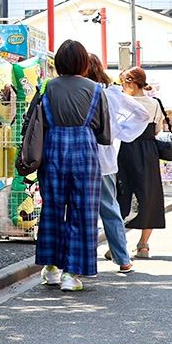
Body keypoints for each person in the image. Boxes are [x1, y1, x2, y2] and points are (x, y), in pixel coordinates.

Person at [31, 41, 111, 292]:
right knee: (82, 212)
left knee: (52, 209)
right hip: (84, 151)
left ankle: (51, 268)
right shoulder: (96, 90)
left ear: (58, 63)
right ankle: (72, 274)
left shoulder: (47, 87)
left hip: (52, 148)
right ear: (83, 63)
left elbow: (35, 122)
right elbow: (105, 133)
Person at [85, 56, 148, 273]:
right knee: (109, 209)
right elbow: (142, 114)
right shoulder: (111, 92)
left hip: (81, 157)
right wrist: (118, 130)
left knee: (82, 210)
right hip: (105, 158)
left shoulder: (82, 91)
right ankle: (123, 259)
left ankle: (85, 259)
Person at [116, 67, 165, 259]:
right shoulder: (154, 104)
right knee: (149, 195)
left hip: (124, 151)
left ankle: (117, 245)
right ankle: (143, 245)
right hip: (147, 153)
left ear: (129, 83)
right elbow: (157, 130)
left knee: (121, 195)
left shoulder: (121, 102)